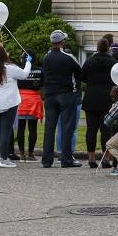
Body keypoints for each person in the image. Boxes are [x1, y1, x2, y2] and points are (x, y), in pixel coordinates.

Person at [0, 44, 31, 168]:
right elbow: (24, 74)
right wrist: (28, 62)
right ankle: (4, 159)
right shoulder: (10, 68)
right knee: (5, 131)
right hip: (8, 102)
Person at [41, 30, 83, 168]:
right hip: (66, 94)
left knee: (49, 128)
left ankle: (46, 159)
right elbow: (80, 73)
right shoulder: (68, 57)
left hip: (50, 95)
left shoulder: (46, 57)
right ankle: (66, 159)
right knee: (67, 128)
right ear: (62, 42)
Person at [82, 38, 116, 167]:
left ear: (97, 47)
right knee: (105, 130)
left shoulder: (89, 61)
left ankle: (91, 158)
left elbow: (82, 76)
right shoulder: (112, 62)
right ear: (108, 48)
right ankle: (106, 158)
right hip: (106, 98)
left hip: (90, 97)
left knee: (91, 130)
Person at [16, 54, 43, 161]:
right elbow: (43, 85)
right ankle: (31, 154)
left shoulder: (19, 70)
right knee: (33, 129)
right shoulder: (40, 71)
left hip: (20, 100)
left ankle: (22, 153)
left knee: (20, 128)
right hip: (34, 101)